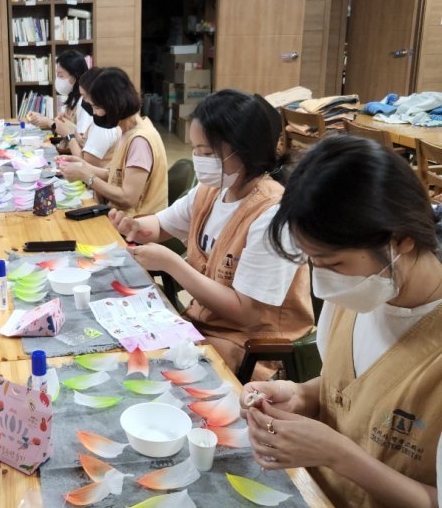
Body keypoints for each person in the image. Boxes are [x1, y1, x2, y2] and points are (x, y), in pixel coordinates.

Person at [242, 135, 442, 508]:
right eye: (313, 262)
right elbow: (351, 388)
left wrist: (335, 453)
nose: (321, 280)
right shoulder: (359, 295)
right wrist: (300, 396)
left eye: (333, 264)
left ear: (400, 242)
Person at [111, 89, 314, 373]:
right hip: (204, 327)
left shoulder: (272, 214)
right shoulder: (213, 189)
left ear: (245, 150)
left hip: (249, 348)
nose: (198, 159)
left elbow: (246, 312)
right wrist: (135, 226)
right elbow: (161, 225)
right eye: (194, 149)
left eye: (206, 152)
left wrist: (171, 264)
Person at [58, 66, 167, 216]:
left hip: (136, 225)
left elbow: (128, 198)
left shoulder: (139, 141)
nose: (95, 113)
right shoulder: (129, 130)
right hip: (121, 216)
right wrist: (82, 166)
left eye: (96, 107)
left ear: (113, 105)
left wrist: (86, 176)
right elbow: (116, 175)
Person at [57, 67, 120, 167]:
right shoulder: (100, 119)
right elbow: (84, 143)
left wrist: (69, 135)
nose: (84, 101)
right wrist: (71, 129)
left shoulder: (104, 125)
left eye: (84, 96)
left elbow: (85, 165)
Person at [25, 49, 88, 133]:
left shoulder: (85, 102)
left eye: (61, 75)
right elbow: (69, 130)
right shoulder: (73, 97)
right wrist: (44, 120)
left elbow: (80, 137)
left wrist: (48, 122)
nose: (57, 79)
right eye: (57, 74)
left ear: (74, 76)